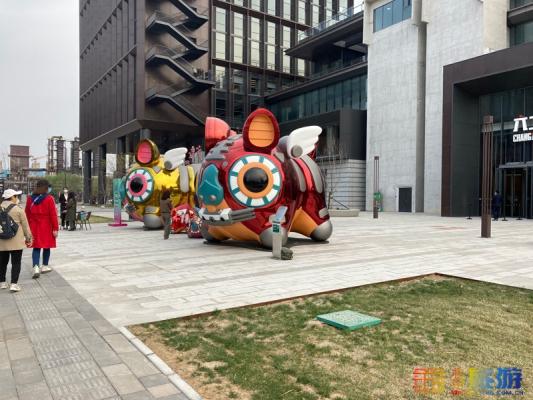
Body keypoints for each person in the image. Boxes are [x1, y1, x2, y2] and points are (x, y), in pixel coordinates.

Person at [0, 189, 33, 292]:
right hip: (16, 241)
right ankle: (14, 284)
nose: (17, 198)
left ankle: (2, 282)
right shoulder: (18, 209)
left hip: (1, 241)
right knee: (16, 262)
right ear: (12, 197)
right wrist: (28, 238)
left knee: (2, 262)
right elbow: (25, 226)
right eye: (16, 196)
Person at [26, 179, 58, 279]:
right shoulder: (49, 198)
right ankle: (44, 266)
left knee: (36, 247)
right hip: (47, 226)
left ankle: (36, 267)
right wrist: (55, 228)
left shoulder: (30, 198)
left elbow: (27, 214)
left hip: (34, 226)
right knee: (46, 246)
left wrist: (27, 228)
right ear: (46, 188)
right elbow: (53, 214)